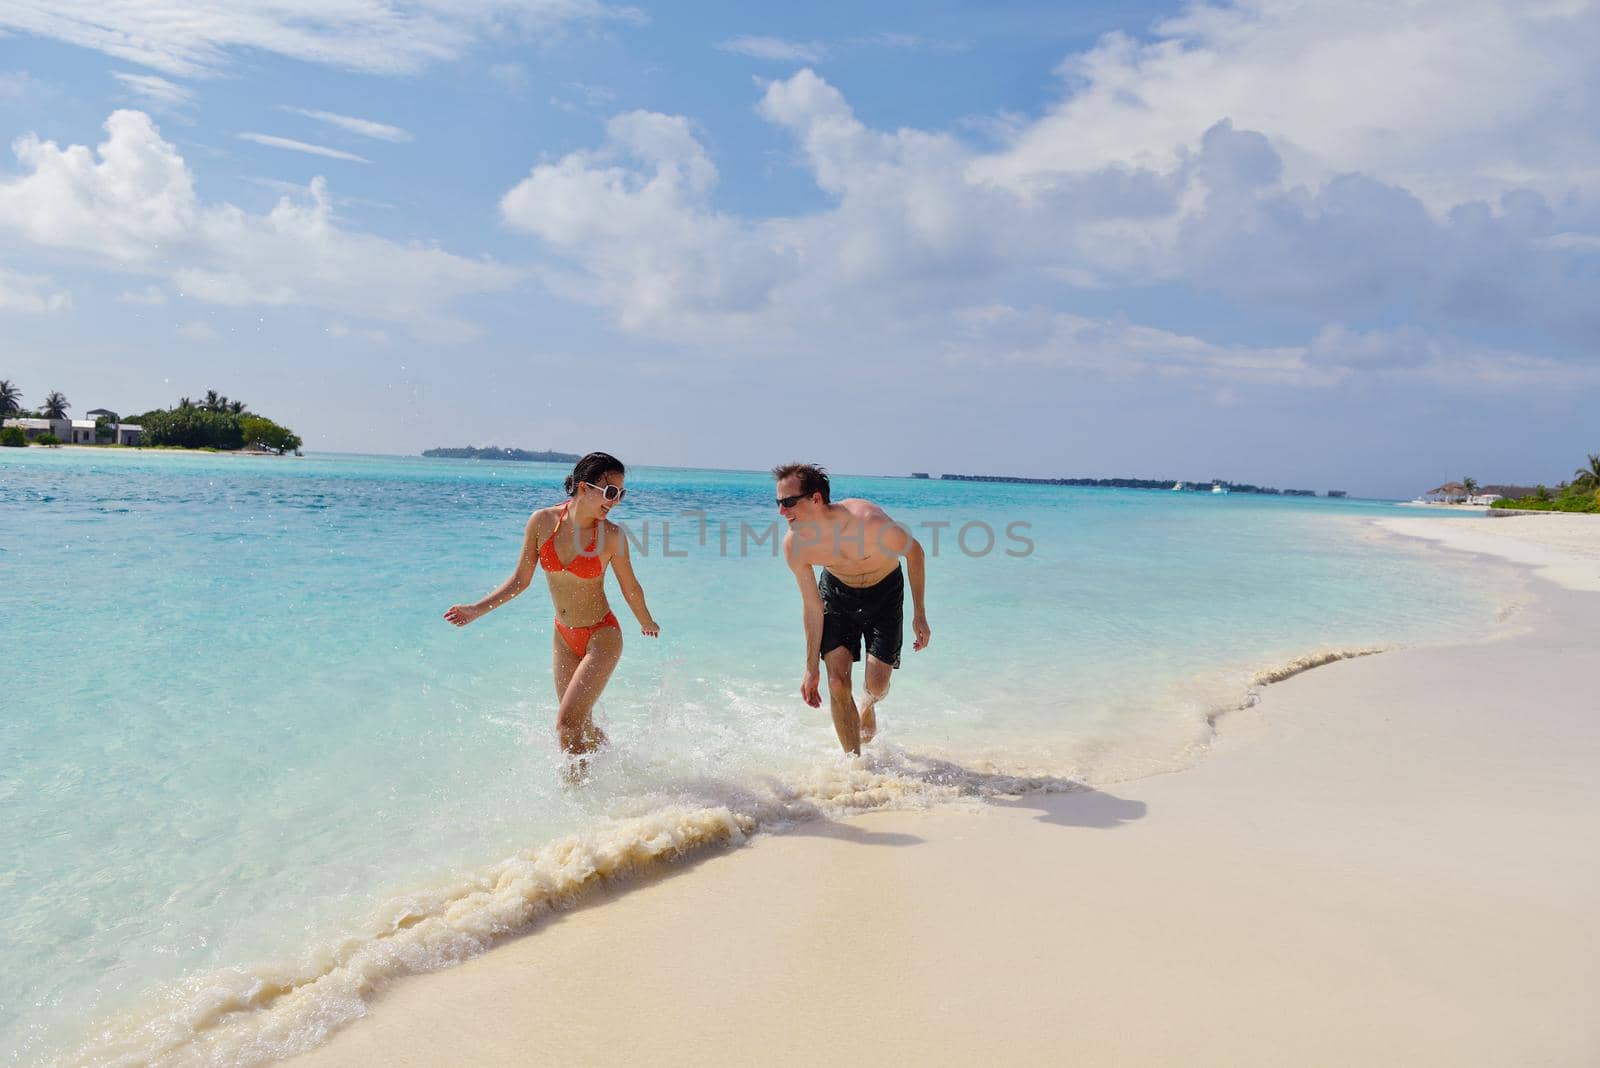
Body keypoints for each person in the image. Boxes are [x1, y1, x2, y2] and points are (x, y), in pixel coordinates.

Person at [445, 452, 659, 772]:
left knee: (566, 724)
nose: (616, 501)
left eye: (621, 494)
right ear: (584, 487)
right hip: (563, 636)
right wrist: (475, 610)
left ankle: (576, 802)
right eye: (611, 492)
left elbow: (630, 587)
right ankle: (618, 768)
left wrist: (646, 620)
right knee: (580, 724)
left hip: (602, 636)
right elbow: (520, 581)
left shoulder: (612, 537)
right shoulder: (542, 522)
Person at [774, 462, 930, 755]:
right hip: (837, 594)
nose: (781, 511)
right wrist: (810, 669)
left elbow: (914, 552)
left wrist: (919, 614)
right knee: (836, 682)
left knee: (878, 683)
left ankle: (869, 704)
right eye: (778, 503)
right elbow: (811, 607)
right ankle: (855, 768)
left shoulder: (868, 522)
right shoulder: (795, 546)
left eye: (788, 502)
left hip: (884, 592)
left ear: (816, 499)